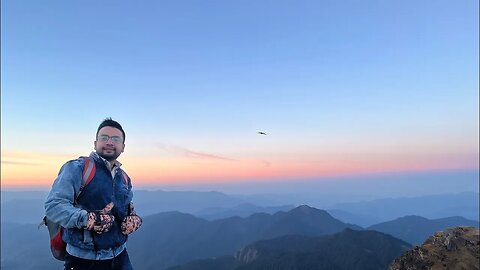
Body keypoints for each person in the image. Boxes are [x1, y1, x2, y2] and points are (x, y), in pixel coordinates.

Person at [45, 118, 142, 270]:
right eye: (104, 138)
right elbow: (54, 206)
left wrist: (133, 219)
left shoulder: (124, 178)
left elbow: (127, 208)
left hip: (120, 257)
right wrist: (88, 219)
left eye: (115, 139)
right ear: (95, 143)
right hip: (83, 260)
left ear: (123, 147)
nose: (110, 142)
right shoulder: (78, 168)